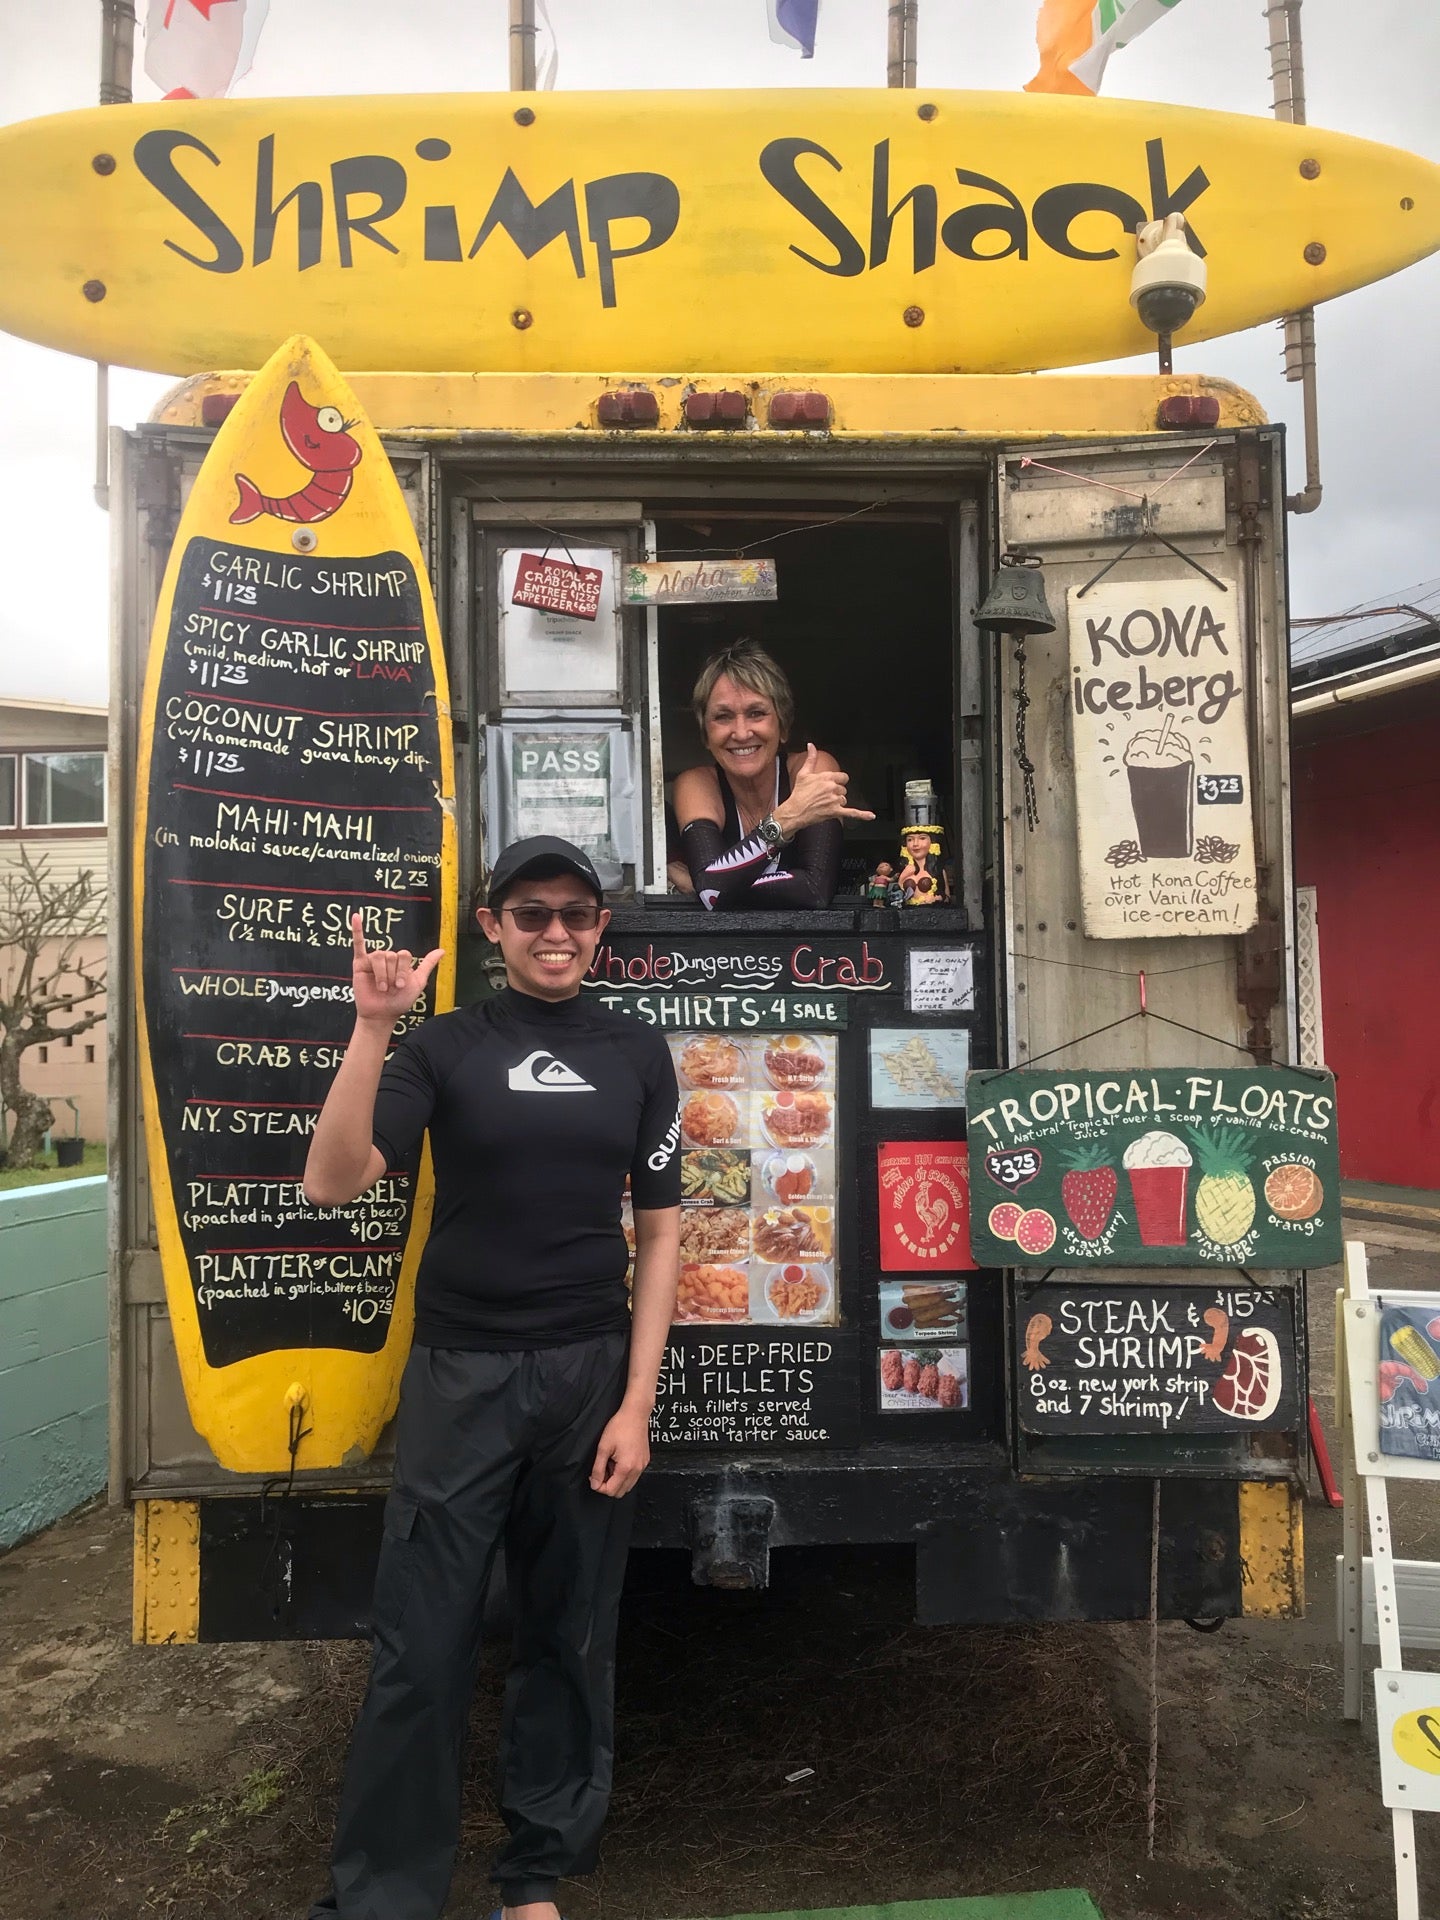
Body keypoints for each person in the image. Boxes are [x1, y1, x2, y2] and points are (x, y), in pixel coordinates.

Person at [303, 835, 681, 1920]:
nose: (555, 931)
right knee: (422, 1644)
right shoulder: (444, 1048)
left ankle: (533, 1877)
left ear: (601, 928)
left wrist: (636, 1405)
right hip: (461, 1374)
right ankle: (382, 1897)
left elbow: (660, 1240)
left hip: (587, 1374)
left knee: (565, 1632)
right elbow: (335, 1183)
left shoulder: (637, 1051)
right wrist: (375, 1028)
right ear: (492, 928)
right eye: (530, 913)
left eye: (575, 912)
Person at [671, 639, 873, 909]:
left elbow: (814, 890)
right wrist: (786, 820)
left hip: (814, 949)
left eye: (756, 713)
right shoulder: (696, 784)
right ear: (705, 735)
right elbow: (714, 891)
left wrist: (719, 880)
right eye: (723, 716)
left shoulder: (812, 768)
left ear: (784, 726)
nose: (741, 733)